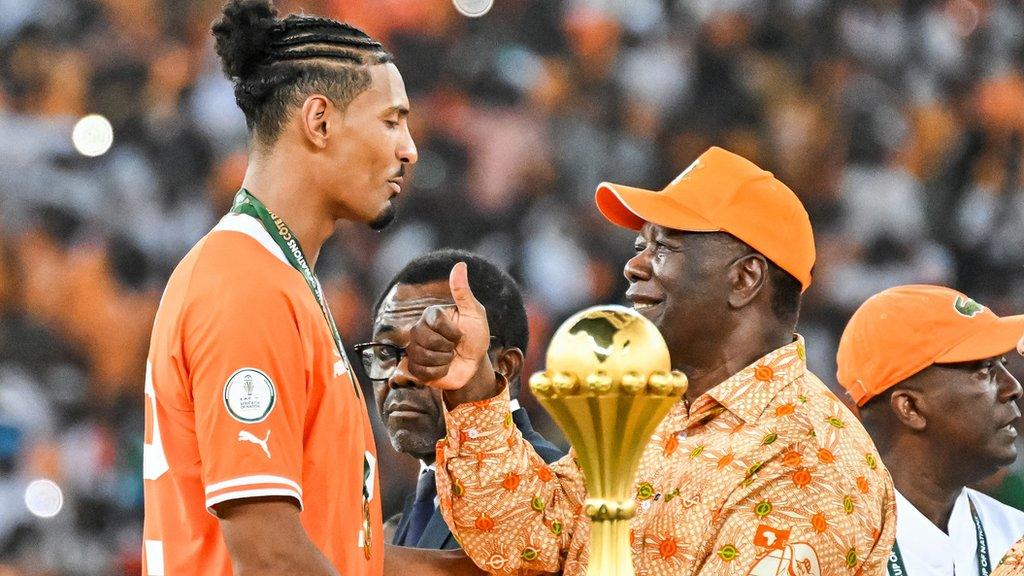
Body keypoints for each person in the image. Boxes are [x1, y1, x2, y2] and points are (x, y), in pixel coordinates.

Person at [404, 147, 897, 575]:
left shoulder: (811, 455)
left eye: (663, 247)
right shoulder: (652, 405)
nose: (633, 264)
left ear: (745, 278)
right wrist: (473, 385)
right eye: (642, 245)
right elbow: (528, 542)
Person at [140, 0, 426, 574]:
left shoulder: (279, 277)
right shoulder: (245, 286)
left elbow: (347, 555)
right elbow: (271, 558)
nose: (408, 148)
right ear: (318, 121)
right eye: (392, 120)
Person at [359, 249, 563, 549]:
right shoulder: (412, 507)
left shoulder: (549, 482)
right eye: (387, 352)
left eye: (433, 349)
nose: (400, 375)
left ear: (503, 367)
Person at [836, 285, 1024, 576]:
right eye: (985, 368)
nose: (1013, 387)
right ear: (910, 407)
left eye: (1004, 363)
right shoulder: (819, 549)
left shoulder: (1015, 535)